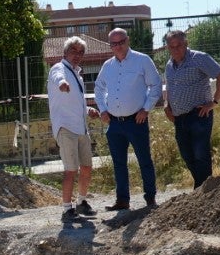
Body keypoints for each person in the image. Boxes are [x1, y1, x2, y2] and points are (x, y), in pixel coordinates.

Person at [94, 27, 163, 210]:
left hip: (136, 121)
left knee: (144, 160)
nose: (118, 46)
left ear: (128, 40)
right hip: (114, 123)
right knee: (118, 163)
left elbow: (156, 85)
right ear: (110, 45)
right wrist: (102, 110)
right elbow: (99, 88)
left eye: (121, 42)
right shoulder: (107, 66)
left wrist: (146, 109)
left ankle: (150, 199)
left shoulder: (142, 60)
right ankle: (122, 200)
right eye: (114, 43)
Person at [161, 30, 220, 188]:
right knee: (186, 154)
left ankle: (203, 190)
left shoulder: (199, 58)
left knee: (200, 154)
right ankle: (203, 187)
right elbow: (169, 86)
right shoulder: (169, 65)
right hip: (179, 118)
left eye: (179, 45)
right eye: (171, 46)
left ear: (186, 44)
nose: (175, 49)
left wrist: (214, 102)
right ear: (168, 48)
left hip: (199, 114)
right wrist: (166, 104)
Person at [47, 36, 100, 221]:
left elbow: (74, 103)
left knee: (86, 167)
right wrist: (62, 83)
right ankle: (66, 210)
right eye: (73, 51)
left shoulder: (77, 73)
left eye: (81, 52)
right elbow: (58, 79)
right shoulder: (59, 68)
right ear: (65, 52)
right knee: (71, 170)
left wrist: (88, 110)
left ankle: (82, 203)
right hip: (66, 127)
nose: (77, 55)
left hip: (80, 128)